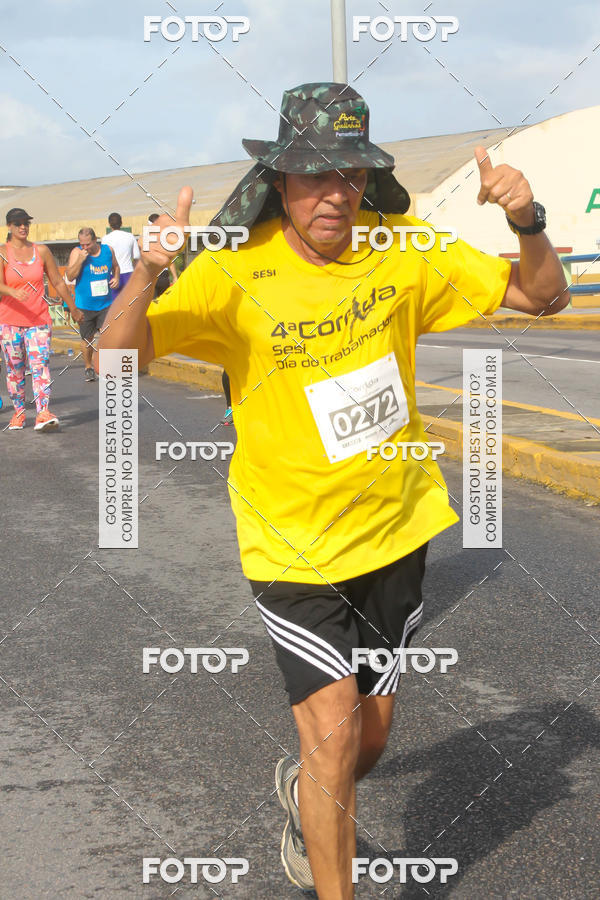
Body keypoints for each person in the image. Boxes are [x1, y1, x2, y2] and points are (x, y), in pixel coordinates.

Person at [99, 84, 569, 898]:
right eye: (314, 175)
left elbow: (542, 295)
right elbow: (113, 362)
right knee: (332, 734)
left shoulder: (402, 248)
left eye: (349, 174)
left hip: (396, 526)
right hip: (292, 543)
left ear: (365, 180)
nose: (333, 193)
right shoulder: (231, 271)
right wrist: (145, 275)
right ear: (279, 181)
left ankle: (305, 797)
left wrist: (526, 221)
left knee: (370, 738)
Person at [0, 207, 83, 431]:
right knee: (15, 370)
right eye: (18, 223)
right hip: (10, 323)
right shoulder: (3, 253)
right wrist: (11, 291)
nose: (23, 227)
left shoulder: (42, 251)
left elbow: (57, 281)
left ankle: (42, 412)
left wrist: (73, 308)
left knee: (41, 367)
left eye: (26, 223)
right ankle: (18, 413)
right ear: (9, 226)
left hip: (38, 320)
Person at [66, 227, 119, 382]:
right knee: (88, 340)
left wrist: (116, 277)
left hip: (106, 303)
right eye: (82, 244)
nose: (85, 247)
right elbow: (69, 276)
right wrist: (80, 260)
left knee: (108, 335)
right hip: (85, 305)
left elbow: (116, 267)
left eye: (88, 244)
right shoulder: (77, 253)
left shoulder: (108, 250)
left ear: (95, 240)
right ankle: (88, 367)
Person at [101, 212, 140, 293]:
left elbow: (104, 259)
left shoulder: (105, 239)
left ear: (109, 224)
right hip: (128, 272)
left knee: (115, 303)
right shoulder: (130, 236)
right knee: (130, 302)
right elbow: (137, 257)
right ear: (121, 223)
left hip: (113, 275)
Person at [147, 213, 178, 297]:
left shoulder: (145, 240)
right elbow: (170, 260)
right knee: (164, 304)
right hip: (163, 275)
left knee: (153, 305)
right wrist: (175, 276)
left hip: (151, 275)